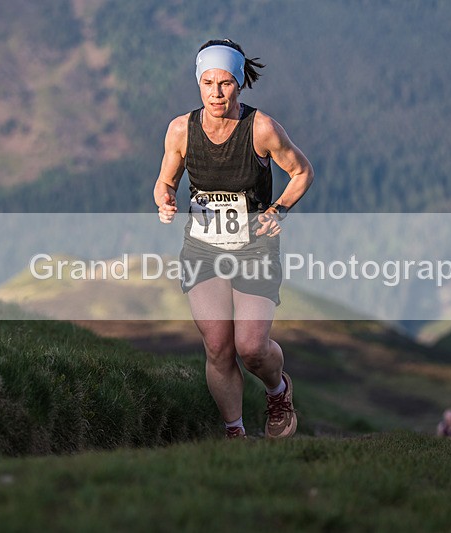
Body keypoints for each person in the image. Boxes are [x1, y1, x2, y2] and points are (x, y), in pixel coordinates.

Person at [153, 39, 314, 439]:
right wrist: (165, 199)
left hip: (254, 248)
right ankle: (235, 433)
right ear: (198, 83)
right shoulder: (181, 130)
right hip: (202, 248)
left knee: (252, 347)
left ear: (239, 84)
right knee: (218, 347)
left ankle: (277, 391)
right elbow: (165, 181)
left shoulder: (261, 129)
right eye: (207, 83)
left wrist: (278, 209)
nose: (216, 93)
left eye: (225, 83)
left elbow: (302, 172)